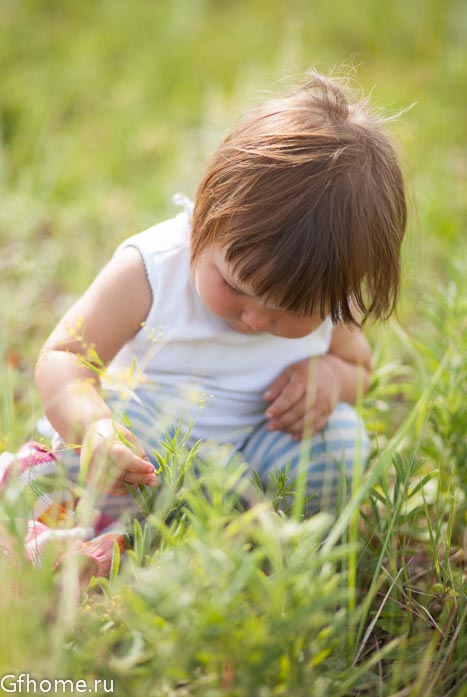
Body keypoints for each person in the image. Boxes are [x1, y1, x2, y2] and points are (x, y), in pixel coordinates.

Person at [34, 73, 407, 519]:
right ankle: (103, 525)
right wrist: (93, 425)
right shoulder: (152, 269)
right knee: (71, 465)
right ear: (207, 214)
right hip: (145, 454)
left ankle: (258, 532)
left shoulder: (326, 293)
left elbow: (359, 367)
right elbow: (66, 356)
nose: (253, 318)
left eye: (291, 311)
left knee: (341, 443)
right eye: (234, 286)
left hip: (252, 459)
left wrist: (330, 375)